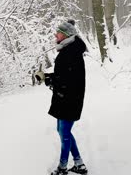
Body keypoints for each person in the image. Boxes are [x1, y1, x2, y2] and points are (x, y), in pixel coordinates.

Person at [35, 20, 88, 175]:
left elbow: (68, 80)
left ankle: (62, 167)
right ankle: (79, 164)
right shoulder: (69, 50)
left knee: (64, 133)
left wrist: (48, 79)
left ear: (65, 35)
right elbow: (63, 76)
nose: (55, 35)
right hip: (65, 98)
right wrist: (46, 77)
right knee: (62, 131)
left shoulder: (70, 53)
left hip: (69, 99)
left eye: (58, 32)